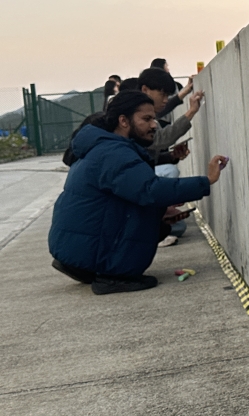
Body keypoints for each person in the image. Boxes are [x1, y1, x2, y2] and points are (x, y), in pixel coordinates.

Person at [48, 90, 228, 294]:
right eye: (147, 119)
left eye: (154, 118)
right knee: (151, 206)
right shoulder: (114, 153)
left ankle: (91, 266)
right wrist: (207, 180)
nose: (154, 125)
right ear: (123, 121)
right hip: (83, 249)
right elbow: (150, 190)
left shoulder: (104, 146)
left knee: (157, 217)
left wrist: (161, 212)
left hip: (74, 247)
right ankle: (112, 276)